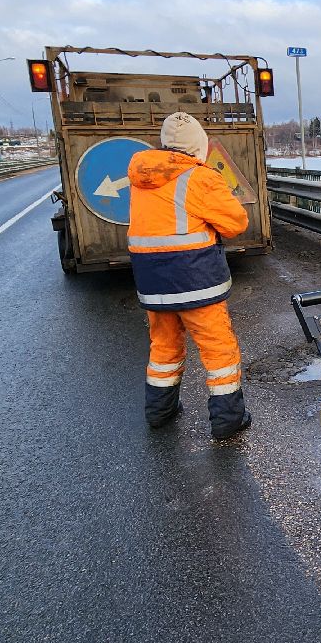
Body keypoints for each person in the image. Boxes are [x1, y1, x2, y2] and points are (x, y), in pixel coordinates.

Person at [126, 111, 252, 438]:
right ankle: (228, 421)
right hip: (194, 280)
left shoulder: (141, 179)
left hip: (152, 282)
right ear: (199, 146)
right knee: (218, 349)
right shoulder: (200, 177)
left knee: (164, 346)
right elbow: (236, 223)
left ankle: (160, 412)